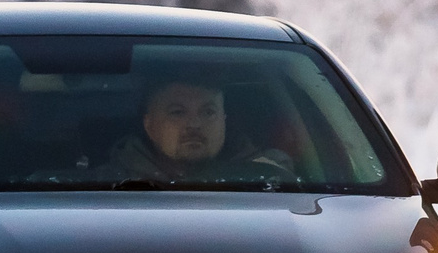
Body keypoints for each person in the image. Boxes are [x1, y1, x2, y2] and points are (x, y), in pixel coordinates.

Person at [104, 72, 296, 183]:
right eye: (178, 112)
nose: (195, 124)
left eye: (208, 112)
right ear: (150, 125)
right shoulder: (107, 187)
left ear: (224, 121)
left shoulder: (269, 178)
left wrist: (254, 171)